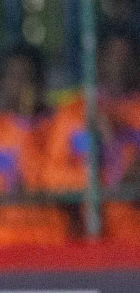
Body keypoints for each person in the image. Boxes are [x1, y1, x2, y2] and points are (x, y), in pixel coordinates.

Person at [44, 30, 140, 243]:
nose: (119, 64)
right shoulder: (73, 112)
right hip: (84, 238)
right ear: (100, 60)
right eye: (113, 56)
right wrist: (105, 180)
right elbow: (51, 176)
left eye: (126, 57)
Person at [0, 44, 69, 248]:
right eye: (14, 77)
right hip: (3, 242)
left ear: (41, 82)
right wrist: (3, 184)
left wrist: (28, 126)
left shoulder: (61, 124)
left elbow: (61, 177)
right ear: (2, 82)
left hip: (54, 239)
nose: (22, 85)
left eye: (29, 77)